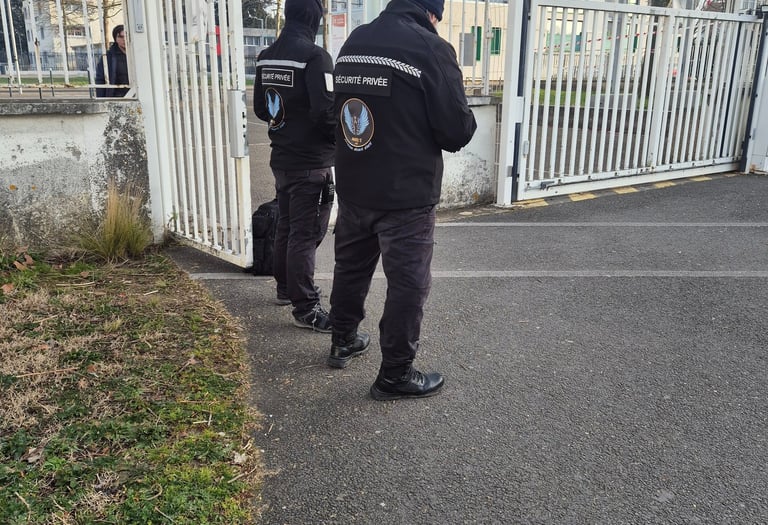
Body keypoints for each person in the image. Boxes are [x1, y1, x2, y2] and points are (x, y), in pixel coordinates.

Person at [327, 0, 477, 399]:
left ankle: (342, 339)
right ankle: (395, 374)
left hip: (355, 184)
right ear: (432, 12)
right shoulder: (429, 49)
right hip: (405, 195)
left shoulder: (356, 40)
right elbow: (456, 131)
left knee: (351, 267)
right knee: (408, 284)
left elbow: (337, 113)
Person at [253, 0, 335, 332]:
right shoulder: (316, 57)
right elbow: (326, 113)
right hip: (310, 163)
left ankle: (285, 288)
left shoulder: (266, 56)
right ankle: (306, 307)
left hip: (282, 157)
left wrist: (287, 120)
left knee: (287, 227)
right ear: (315, 17)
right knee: (305, 232)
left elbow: (262, 109)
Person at [95, 25, 129, 98]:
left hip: (137, 94)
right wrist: (102, 99)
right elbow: (100, 79)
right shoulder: (109, 57)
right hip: (116, 96)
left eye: (126, 36)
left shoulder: (137, 55)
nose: (124, 39)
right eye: (120, 37)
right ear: (115, 39)